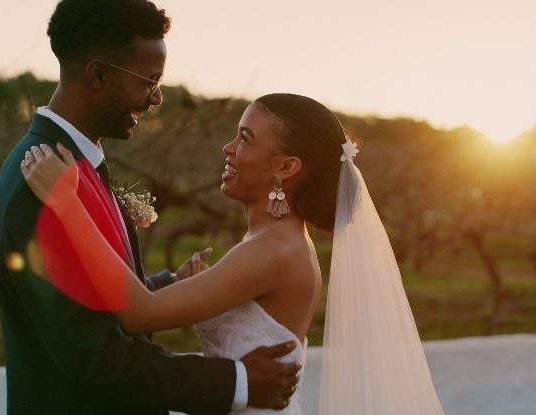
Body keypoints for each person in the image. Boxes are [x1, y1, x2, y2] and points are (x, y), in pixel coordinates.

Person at [22, 93, 447, 415]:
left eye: (245, 138)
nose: (228, 148)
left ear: (286, 167)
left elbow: (139, 314)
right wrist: (179, 282)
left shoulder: (272, 252)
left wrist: (68, 207)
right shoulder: (276, 244)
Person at [0, 1, 300, 415]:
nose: (155, 98)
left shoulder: (69, 165)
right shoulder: (40, 186)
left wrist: (166, 285)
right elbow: (96, 356)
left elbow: (95, 304)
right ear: (98, 74)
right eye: (149, 80)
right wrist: (235, 382)